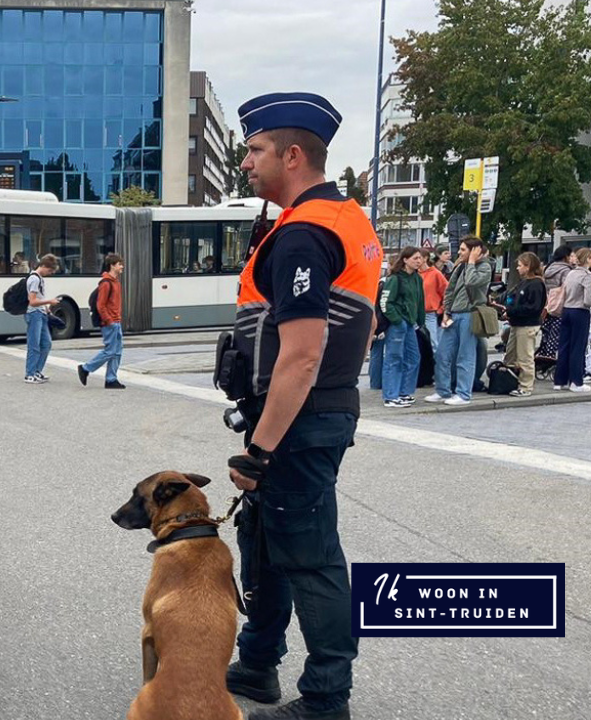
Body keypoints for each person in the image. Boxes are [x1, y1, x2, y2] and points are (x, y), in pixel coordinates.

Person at [224, 93, 379, 720]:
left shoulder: (304, 234)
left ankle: (324, 700)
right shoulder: (350, 221)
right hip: (316, 411)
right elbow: (365, 327)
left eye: (256, 150)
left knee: (311, 556)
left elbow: (301, 355)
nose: (246, 163)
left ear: (292, 155)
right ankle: (258, 660)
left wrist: (259, 448)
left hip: (298, 417)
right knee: (268, 540)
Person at [424, 237, 491, 406]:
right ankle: (442, 390)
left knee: (465, 355)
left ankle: (463, 394)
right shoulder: (460, 266)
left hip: (469, 314)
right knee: (442, 354)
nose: (458, 253)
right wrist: (446, 311)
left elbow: (472, 282)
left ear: (474, 251)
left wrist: (471, 262)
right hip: (453, 315)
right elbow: (450, 290)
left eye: (463, 250)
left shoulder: (484, 267)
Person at [380, 247, 424, 408]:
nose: (419, 261)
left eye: (420, 258)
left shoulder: (417, 278)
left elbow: (420, 301)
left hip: (411, 324)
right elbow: (385, 302)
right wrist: (397, 320)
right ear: (405, 260)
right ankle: (391, 395)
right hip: (398, 324)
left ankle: (404, 392)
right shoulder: (395, 279)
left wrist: (420, 320)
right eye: (415, 258)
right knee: (394, 358)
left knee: (413, 357)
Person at [78, 253, 126, 390]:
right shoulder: (106, 283)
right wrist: (109, 320)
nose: (122, 267)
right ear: (112, 266)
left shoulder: (116, 282)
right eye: (119, 264)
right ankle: (85, 368)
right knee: (110, 351)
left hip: (116, 321)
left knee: (117, 352)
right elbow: (101, 305)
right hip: (110, 323)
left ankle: (111, 379)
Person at [503, 252, 546, 397]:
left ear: (528, 267)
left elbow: (533, 308)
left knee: (524, 356)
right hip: (517, 323)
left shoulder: (536, 284)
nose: (517, 268)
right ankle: (509, 380)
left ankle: (526, 386)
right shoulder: (523, 283)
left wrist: (512, 311)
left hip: (527, 324)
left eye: (520, 265)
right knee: (511, 354)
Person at [555, 247, 591, 392]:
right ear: (587, 259)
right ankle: (576, 382)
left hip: (566, 310)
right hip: (580, 312)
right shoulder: (587, 275)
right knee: (578, 347)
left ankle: (559, 381)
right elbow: (588, 299)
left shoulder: (571, 273)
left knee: (564, 346)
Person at [24, 254, 61, 383]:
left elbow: (37, 298)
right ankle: (30, 374)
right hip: (34, 314)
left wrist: (46, 307)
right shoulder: (34, 279)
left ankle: (37, 371)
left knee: (46, 343)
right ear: (44, 266)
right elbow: (32, 301)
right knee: (34, 344)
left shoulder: (39, 279)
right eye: (50, 271)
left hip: (41, 313)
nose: (49, 273)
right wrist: (49, 301)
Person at [539, 245, 575, 366]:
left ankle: (542, 356)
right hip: (560, 305)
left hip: (548, 305)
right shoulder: (566, 271)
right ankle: (550, 358)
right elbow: (568, 288)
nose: (572, 258)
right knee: (555, 333)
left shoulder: (548, 268)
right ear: (565, 257)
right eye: (570, 256)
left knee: (546, 332)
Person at [419, 249, 448, 351]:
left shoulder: (435, 274)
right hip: (415, 314)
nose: (417, 261)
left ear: (425, 258)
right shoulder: (414, 274)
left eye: (419, 258)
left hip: (430, 313)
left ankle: (434, 366)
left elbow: (447, 292)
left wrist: (441, 309)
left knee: (432, 344)